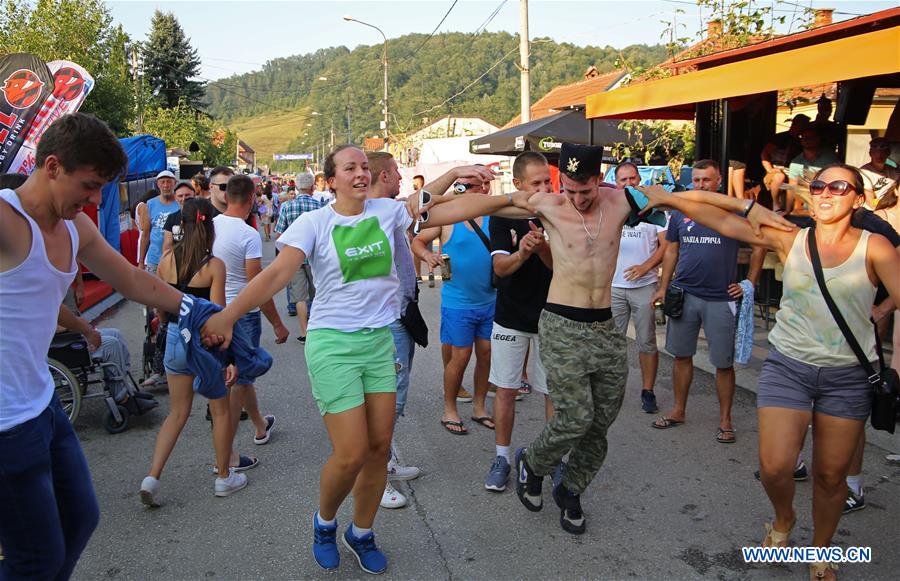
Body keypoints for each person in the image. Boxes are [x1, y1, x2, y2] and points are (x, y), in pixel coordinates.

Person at [200, 144, 534, 574]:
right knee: (351, 452)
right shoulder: (314, 223)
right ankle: (324, 523)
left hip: (378, 343)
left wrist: (507, 199)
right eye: (349, 168)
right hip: (332, 345)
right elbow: (277, 274)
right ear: (331, 180)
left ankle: (361, 532)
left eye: (363, 166)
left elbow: (450, 208)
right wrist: (228, 315)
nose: (359, 173)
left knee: (378, 450)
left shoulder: (387, 212)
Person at [640, 164, 899, 581]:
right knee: (776, 467)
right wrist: (672, 199)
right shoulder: (791, 237)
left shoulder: (877, 247)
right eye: (819, 185)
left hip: (847, 376)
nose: (826, 192)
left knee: (831, 476)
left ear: (858, 198)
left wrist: (884, 316)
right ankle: (783, 520)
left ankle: (821, 552)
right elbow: (723, 218)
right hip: (788, 367)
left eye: (839, 186)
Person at [0, 112, 185, 579]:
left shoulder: (74, 228)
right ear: (53, 166)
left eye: (103, 188)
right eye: (89, 185)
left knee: (81, 519)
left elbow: (133, 280)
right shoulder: (5, 220)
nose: (96, 200)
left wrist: (198, 311)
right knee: (35, 557)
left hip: (43, 404)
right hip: (5, 426)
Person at [139, 197, 248, 505]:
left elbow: (161, 310)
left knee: (177, 412)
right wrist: (230, 357)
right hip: (205, 341)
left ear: (181, 225)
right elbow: (217, 314)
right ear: (210, 226)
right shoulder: (213, 266)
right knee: (220, 410)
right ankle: (224, 476)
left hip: (175, 336)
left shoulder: (166, 261)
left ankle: (152, 477)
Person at [650, 160, 743, 443]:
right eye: (697, 180)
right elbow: (671, 251)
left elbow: (761, 244)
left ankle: (726, 421)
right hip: (685, 294)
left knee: (723, 363)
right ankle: (678, 411)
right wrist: (663, 287)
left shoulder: (733, 210)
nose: (701, 185)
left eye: (707, 180)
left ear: (719, 182)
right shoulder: (681, 210)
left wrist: (749, 283)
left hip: (721, 297)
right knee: (681, 356)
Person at [483, 152, 555, 493]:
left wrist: (540, 250)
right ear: (517, 184)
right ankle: (502, 458)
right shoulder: (501, 216)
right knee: (506, 389)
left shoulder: (558, 212)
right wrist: (523, 252)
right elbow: (500, 268)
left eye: (548, 182)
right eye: (536, 183)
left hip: (552, 317)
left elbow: (562, 267)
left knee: (552, 392)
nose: (544, 189)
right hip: (510, 316)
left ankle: (552, 459)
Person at [412, 166, 498, 435]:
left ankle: (479, 407)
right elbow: (418, 241)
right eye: (458, 186)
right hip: (458, 302)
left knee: (486, 354)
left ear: (483, 188)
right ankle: (449, 408)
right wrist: (428, 256)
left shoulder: (495, 215)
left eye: (467, 186)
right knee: (460, 356)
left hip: (490, 299)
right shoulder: (446, 218)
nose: (460, 191)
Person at [213, 175, 288, 457]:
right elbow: (257, 286)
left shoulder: (211, 226)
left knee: (239, 377)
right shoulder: (248, 234)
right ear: (251, 199)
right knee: (239, 381)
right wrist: (277, 323)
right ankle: (226, 456)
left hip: (216, 310)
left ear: (226, 196)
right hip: (244, 315)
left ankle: (259, 425)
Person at [366, 151, 422, 510]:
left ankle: (383, 463)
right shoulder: (377, 213)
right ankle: (375, 478)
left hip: (401, 313)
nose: (401, 177)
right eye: (397, 171)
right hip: (388, 319)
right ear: (384, 175)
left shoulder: (385, 211)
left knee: (393, 398)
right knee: (386, 401)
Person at [610, 162, 667, 414]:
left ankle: (648, 391)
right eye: (623, 180)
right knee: (612, 343)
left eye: (632, 178)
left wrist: (646, 267)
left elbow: (666, 246)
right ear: (616, 183)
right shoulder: (612, 209)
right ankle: (612, 390)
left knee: (647, 342)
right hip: (614, 286)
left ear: (639, 179)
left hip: (644, 285)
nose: (629, 183)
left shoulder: (653, 207)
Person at [274, 172, 322, 338]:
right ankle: (318, 329)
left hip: (295, 257)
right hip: (315, 256)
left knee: (300, 297)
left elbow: (279, 234)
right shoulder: (319, 206)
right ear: (312, 187)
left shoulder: (287, 206)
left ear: (297, 187)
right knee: (318, 294)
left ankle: (304, 331)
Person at [785, 127, 839, 215]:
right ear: (801, 141)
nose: (808, 140)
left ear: (818, 139)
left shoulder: (830, 158)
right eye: (805, 138)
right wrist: (787, 210)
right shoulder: (796, 162)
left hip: (826, 192)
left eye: (811, 137)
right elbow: (792, 187)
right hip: (806, 194)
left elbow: (836, 179)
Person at [761, 114, 809, 210]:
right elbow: (764, 154)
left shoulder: (801, 142)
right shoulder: (780, 138)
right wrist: (770, 170)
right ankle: (776, 205)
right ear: (795, 124)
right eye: (803, 125)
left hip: (792, 173)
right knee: (779, 177)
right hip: (777, 171)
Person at [139, 169, 180, 274]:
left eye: (169, 182)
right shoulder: (150, 204)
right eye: (162, 182)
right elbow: (145, 234)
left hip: (176, 259)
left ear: (174, 183)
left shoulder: (180, 203)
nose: (166, 185)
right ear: (158, 184)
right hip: (154, 259)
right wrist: (141, 262)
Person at [860, 137, 900, 210]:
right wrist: (885, 206)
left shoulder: (894, 172)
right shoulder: (864, 172)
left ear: (888, 153)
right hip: (871, 212)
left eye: (882, 151)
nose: (879, 154)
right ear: (870, 153)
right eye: (875, 151)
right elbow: (872, 203)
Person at [161, 181, 198, 254]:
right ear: (175, 198)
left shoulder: (202, 215)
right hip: (178, 259)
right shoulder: (171, 218)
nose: (184, 198)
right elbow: (167, 247)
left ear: (194, 195)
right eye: (180, 196)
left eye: (187, 195)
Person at [131, 188, 159, 269]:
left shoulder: (137, 206)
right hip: (147, 242)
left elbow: (133, 224)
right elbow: (144, 227)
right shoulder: (144, 206)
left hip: (143, 239)